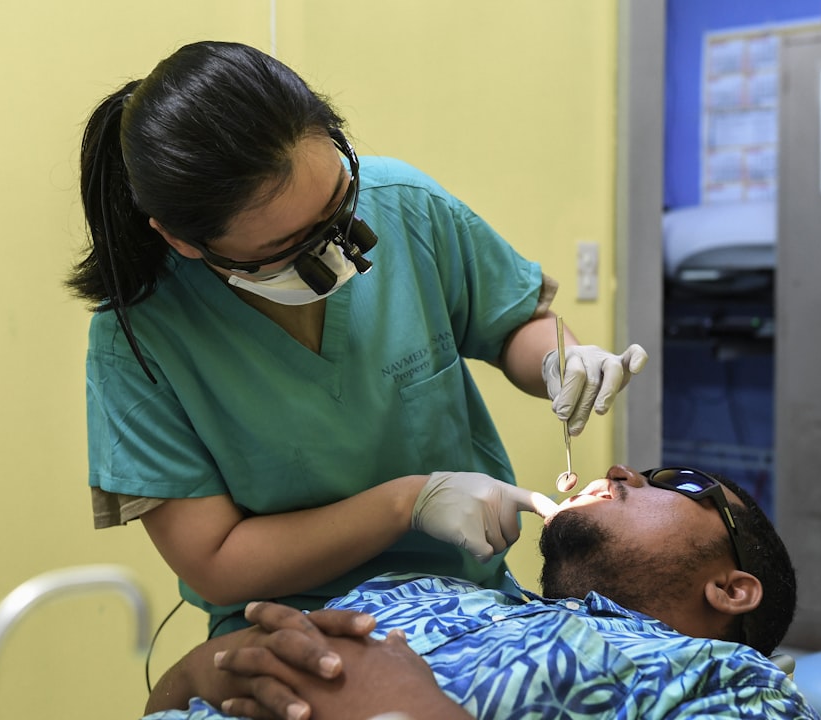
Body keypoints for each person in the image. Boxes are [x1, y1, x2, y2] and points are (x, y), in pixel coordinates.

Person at [66, 41, 648, 638]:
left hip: (475, 610)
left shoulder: (406, 207)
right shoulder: (137, 339)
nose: (338, 251)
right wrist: (408, 504)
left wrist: (560, 357)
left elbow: (511, 324)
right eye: (286, 249)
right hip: (294, 638)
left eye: (340, 206)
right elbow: (216, 563)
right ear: (184, 241)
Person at [142, 465, 818, 720]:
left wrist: (403, 709)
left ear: (732, 589)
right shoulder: (432, 590)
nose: (623, 470)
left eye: (679, 481)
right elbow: (177, 689)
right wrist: (239, 658)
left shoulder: (731, 685)